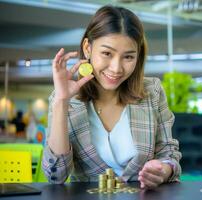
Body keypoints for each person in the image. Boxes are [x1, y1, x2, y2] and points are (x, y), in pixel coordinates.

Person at [42, 5, 181, 188]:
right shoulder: (63, 99)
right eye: (107, 53)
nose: (116, 68)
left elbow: (169, 154)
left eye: (128, 57)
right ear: (88, 48)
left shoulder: (152, 91)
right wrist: (61, 101)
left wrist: (163, 170)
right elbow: (56, 176)